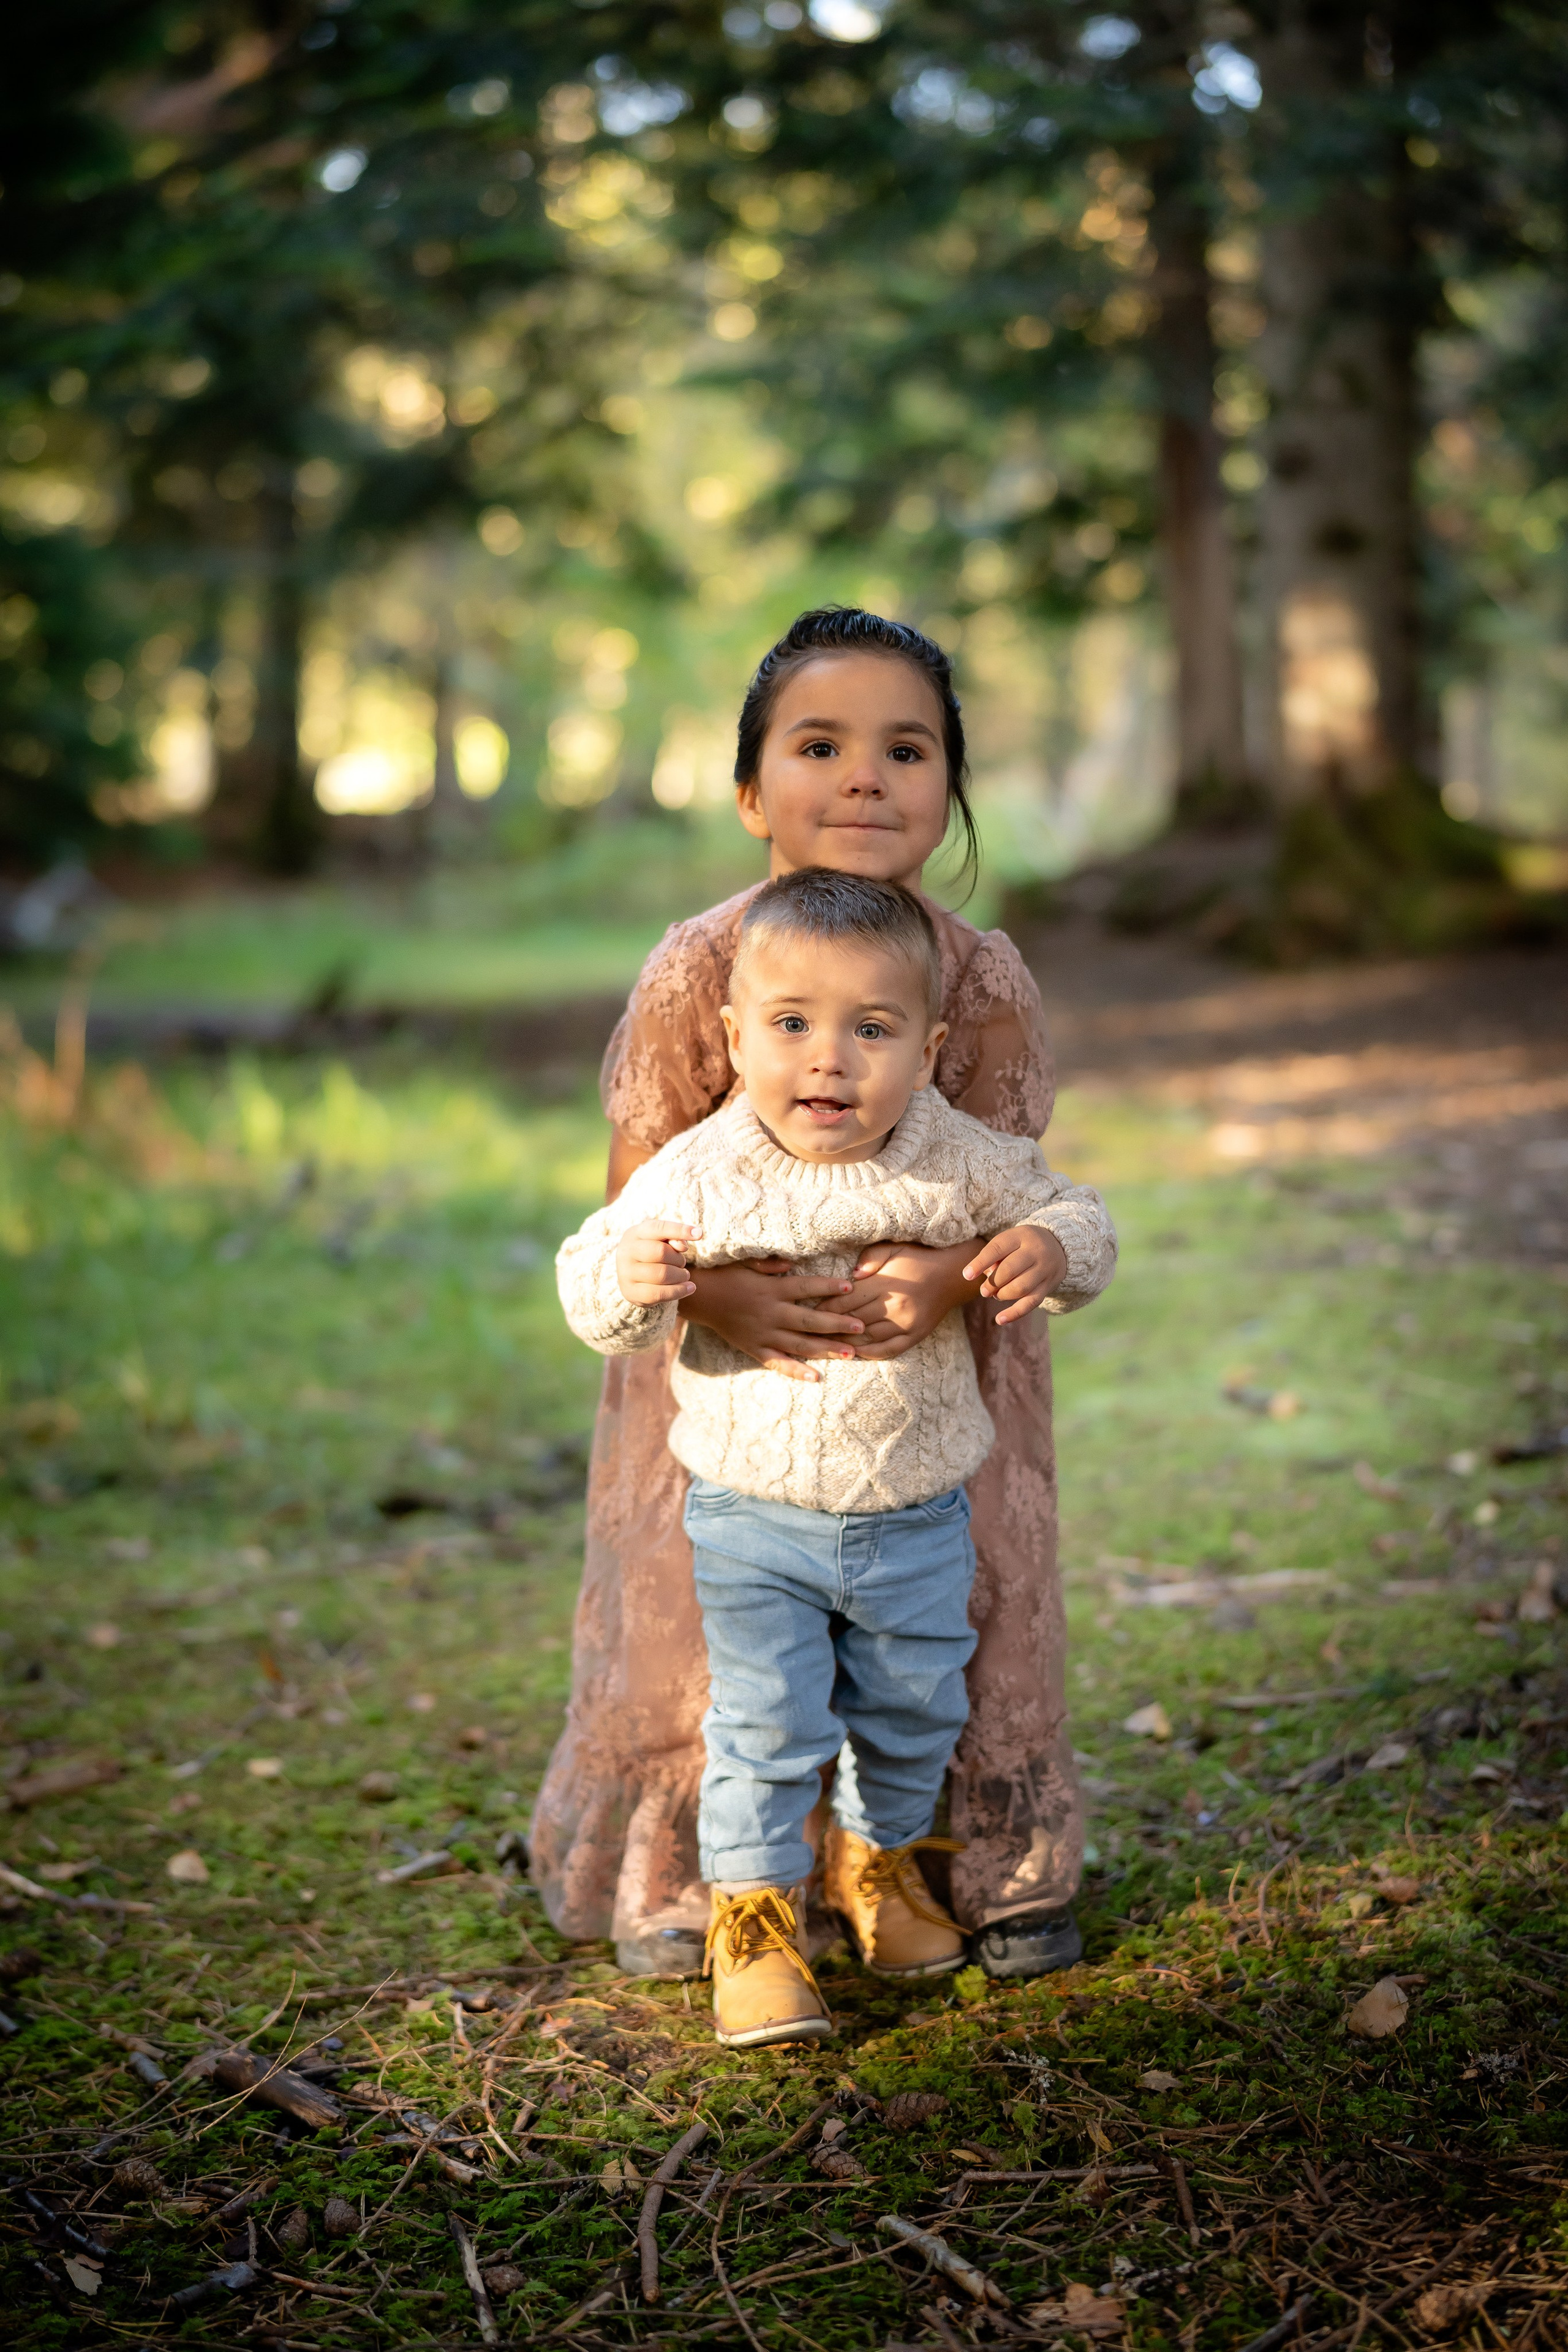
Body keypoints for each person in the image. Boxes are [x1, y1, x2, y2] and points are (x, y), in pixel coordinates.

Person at [530, 606, 1088, 1981]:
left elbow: (1016, 1185)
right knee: (724, 1634)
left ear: (948, 787)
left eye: (907, 749)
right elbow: (632, 1195)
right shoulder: (702, 965)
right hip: (731, 1373)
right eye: (819, 746)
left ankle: (944, 1855)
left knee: (938, 1623)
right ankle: (706, 1876)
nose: (863, 779)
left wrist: (951, 1275)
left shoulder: (979, 977)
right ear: (749, 790)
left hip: (932, 1374)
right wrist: (716, 1297)